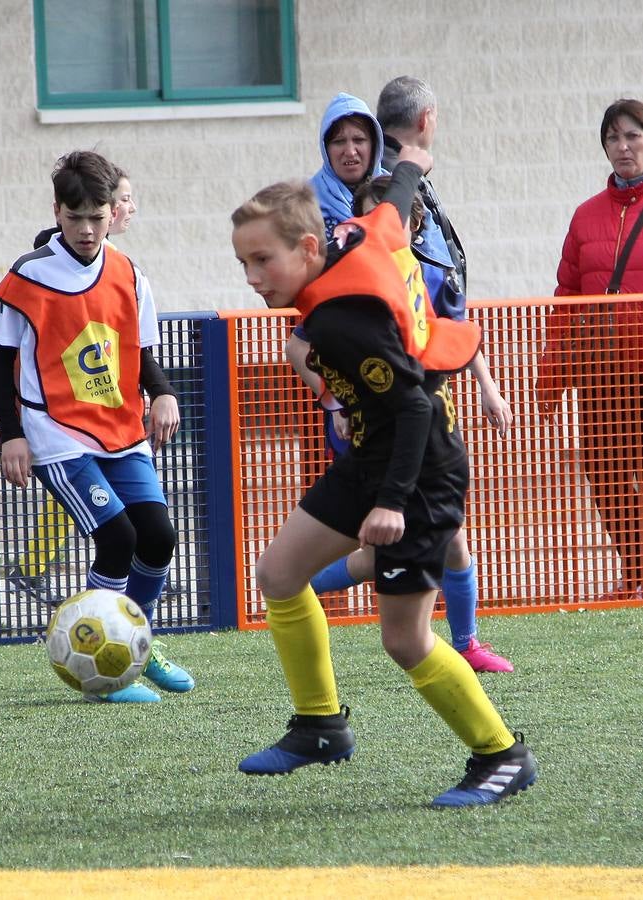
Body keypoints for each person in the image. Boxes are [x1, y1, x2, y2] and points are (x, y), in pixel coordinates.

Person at [230, 148, 537, 807]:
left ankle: (501, 756)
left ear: (308, 247)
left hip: (417, 472)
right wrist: (410, 164)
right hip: (375, 454)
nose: (253, 276)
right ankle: (318, 726)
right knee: (279, 575)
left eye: (263, 260)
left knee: (403, 640)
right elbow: (394, 209)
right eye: (243, 263)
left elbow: (416, 407)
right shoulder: (354, 236)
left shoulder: (343, 322)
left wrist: (392, 503)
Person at [290, 88, 513, 673]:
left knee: (442, 537)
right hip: (381, 418)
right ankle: (303, 584)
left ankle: (463, 644)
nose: (349, 148)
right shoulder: (338, 247)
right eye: (337, 139)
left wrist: (487, 388)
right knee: (385, 549)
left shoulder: (421, 261)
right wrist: (332, 395)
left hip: (425, 413)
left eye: (359, 138)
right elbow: (300, 343)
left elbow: (453, 329)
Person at [0, 150, 194, 703]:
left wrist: (163, 392)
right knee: (117, 536)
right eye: (74, 216)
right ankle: (98, 674)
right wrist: (11, 434)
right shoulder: (28, 276)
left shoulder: (127, 271)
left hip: (120, 428)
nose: (85, 228)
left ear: (113, 212)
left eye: (97, 217)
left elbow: (140, 347)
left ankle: (135, 646)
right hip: (57, 436)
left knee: (159, 536)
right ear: (57, 211)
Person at [536, 98, 643, 600]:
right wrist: (550, 380)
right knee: (607, 475)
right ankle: (636, 573)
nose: (623, 147)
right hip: (601, 373)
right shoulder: (585, 217)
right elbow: (566, 300)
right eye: (614, 138)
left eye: (633, 136)